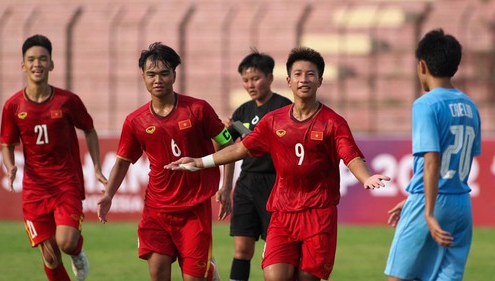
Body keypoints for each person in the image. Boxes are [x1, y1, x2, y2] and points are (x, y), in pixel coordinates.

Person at [165, 46, 390, 281]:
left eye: (311, 74)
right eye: (299, 74)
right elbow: (241, 149)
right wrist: (201, 162)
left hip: (318, 214)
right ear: (289, 80)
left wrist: (366, 177)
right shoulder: (273, 121)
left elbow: (351, 155)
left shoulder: (333, 122)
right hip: (282, 213)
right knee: (274, 275)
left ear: (320, 80)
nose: (304, 79)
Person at [96, 42, 235, 281]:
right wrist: (109, 194)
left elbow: (227, 144)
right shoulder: (135, 121)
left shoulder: (198, 110)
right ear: (143, 77)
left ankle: (208, 271)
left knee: (194, 278)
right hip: (156, 210)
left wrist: (225, 187)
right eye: (151, 74)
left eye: (163, 73)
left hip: (194, 209)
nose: (157, 79)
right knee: (158, 274)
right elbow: (122, 162)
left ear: (174, 75)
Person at [0, 34, 107, 281]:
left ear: (51, 64)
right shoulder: (13, 106)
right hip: (35, 189)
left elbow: (89, 129)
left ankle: (77, 251)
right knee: (50, 257)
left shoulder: (67, 101)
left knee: (66, 243)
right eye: (31, 59)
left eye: (43, 59)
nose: (37, 64)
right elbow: (7, 143)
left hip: (65, 183)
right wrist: (10, 165)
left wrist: (97, 166)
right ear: (23, 65)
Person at [384, 29, 481, 281]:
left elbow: (432, 160)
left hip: (431, 203)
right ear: (455, 67)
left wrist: (426, 209)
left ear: (422, 66)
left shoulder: (425, 104)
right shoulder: (471, 106)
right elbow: (463, 158)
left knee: (398, 278)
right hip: (461, 204)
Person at [223, 50, 291, 281]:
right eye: (245, 80)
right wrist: (224, 187)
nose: (250, 84)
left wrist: (241, 129)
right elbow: (226, 145)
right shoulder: (242, 111)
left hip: (276, 185)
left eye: (255, 78)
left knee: (276, 252)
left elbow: (273, 144)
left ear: (270, 78)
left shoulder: (284, 108)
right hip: (246, 184)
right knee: (242, 250)